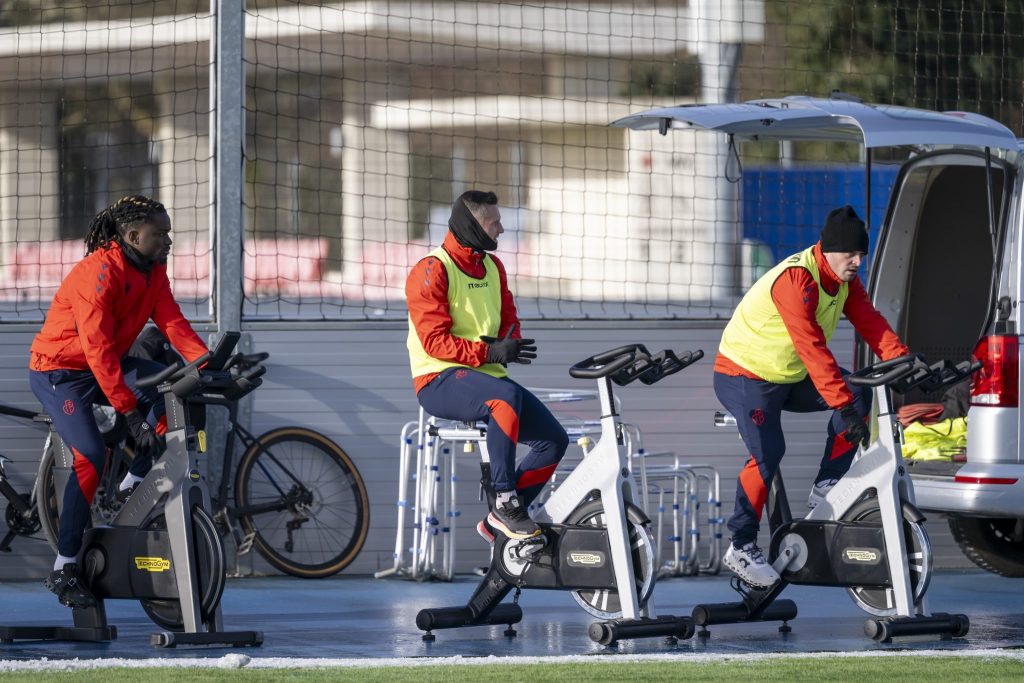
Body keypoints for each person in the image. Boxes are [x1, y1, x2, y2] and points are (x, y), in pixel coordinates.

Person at [714, 205, 911, 589]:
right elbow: (812, 348)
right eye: (850, 255)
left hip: (786, 376)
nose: (857, 262)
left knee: (859, 389)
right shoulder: (796, 280)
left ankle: (826, 482)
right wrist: (841, 407)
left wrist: (903, 361)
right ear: (828, 248)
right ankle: (739, 544)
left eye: (861, 256)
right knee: (768, 452)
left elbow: (871, 321)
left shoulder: (844, 280)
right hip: (743, 375)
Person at [29, 195, 209, 609]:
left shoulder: (154, 269)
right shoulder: (97, 274)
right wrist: (128, 411)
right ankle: (64, 566)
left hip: (105, 364)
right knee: (90, 455)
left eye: (167, 231)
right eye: (159, 233)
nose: (168, 239)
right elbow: (97, 351)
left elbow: (172, 321)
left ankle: (131, 486)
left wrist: (205, 364)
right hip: (60, 372)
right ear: (131, 235)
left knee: (170, 399)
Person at [405, 190, 569, 541]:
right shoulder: (432, 270)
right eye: (495, 222)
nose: (502, 229)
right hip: (438, 379)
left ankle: (501, 520)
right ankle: (505, 500)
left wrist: (510, 341)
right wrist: (490, 353)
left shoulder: (493, 267)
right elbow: (433, 342)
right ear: (473, 225)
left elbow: (509, 317)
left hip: (486, 378)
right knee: (505, 397)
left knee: (554, 440)